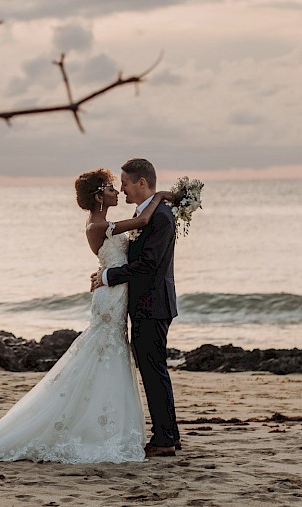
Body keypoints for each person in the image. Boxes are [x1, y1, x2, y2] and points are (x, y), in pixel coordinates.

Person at [0, 168, 171, 463]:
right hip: (110, 297)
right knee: (104, 352)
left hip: (114, 291)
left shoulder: (104, 223)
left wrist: (106, 272)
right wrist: (161, 195)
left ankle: (105, 421)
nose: (118, 192)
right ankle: (96, 426)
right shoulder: (99, 226)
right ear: (100, 197)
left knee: (107, 352)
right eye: (113, 189)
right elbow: (142, 220)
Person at [90, 158, 180, 457]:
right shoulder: (145, 214)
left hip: (153, 305)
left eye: (126, 183)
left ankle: (165, 438)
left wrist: (108, 276)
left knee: (153, 370)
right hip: (143, 304)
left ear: (141, 183)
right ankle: (169, 433)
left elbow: (149, 264)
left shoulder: (160, 217)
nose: (123, 189)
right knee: (153, 369)